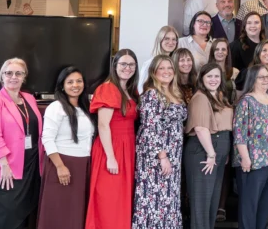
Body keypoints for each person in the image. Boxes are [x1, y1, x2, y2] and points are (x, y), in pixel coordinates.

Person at [0, 58, 42, 229]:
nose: (13, 77)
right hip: (6, 169)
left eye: (19, 73)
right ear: (2, 76)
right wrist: (4, 164)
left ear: (24, 77)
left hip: (30, 167)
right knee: (9, 220)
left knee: (25, 217)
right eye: (8, 73)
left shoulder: (29, 99)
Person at [85, 50, 140, 229]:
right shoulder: (108, 88)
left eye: (131, 64)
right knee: (109, 198)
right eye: (123, 64)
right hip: (112, 147)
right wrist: (110, 156)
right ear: (115, 66)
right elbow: (103, 125)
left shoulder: (131, 89)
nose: (127, 68)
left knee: (122, 197)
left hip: (128, 147)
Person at [132, 55, 187, 228]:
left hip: (174, 154)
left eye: (169, 68)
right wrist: (162, 157)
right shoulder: (152, 94)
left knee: (169, 199)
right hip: (156, 157)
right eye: (161, 68)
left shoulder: (175, 93)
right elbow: (150, 128)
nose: (166, 72)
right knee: (154, 200)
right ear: (154, 72)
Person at [35, 67, 92, 229]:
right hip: (62, 164)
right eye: (70, 82)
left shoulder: (85, 108)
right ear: (62, 86)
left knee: (75, 213)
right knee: (58, 212)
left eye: (79, 81)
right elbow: (47, 138)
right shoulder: (56, 107)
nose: (75, 85)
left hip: (83, 165)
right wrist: (60, 167)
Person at [233, 64, 268, 229]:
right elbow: (239, 132)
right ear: (253, 79)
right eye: (261, 77)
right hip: (255, 160)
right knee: (250, 205)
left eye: (267, 76)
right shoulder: (246, 101)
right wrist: (245, 158)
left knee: (267, 205)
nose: (266, 80)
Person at [184, 63, 233, 229]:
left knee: (212, 201)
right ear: (202, 78)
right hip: (203, 150)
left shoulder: (220, 95)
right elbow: (200, 128)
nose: (213, 79)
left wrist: (223, 152)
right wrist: (211, 154)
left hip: (218, 149)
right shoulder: (200, 98)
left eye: (217, 76)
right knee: (202, 202)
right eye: (209, 76)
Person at [231, 12, 265, 90]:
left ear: (261, 25)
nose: (253, 26)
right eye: (249, 23)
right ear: (244, 26)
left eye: (256, 22)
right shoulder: (235, 46)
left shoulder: (266, 45)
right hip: (243, 89)